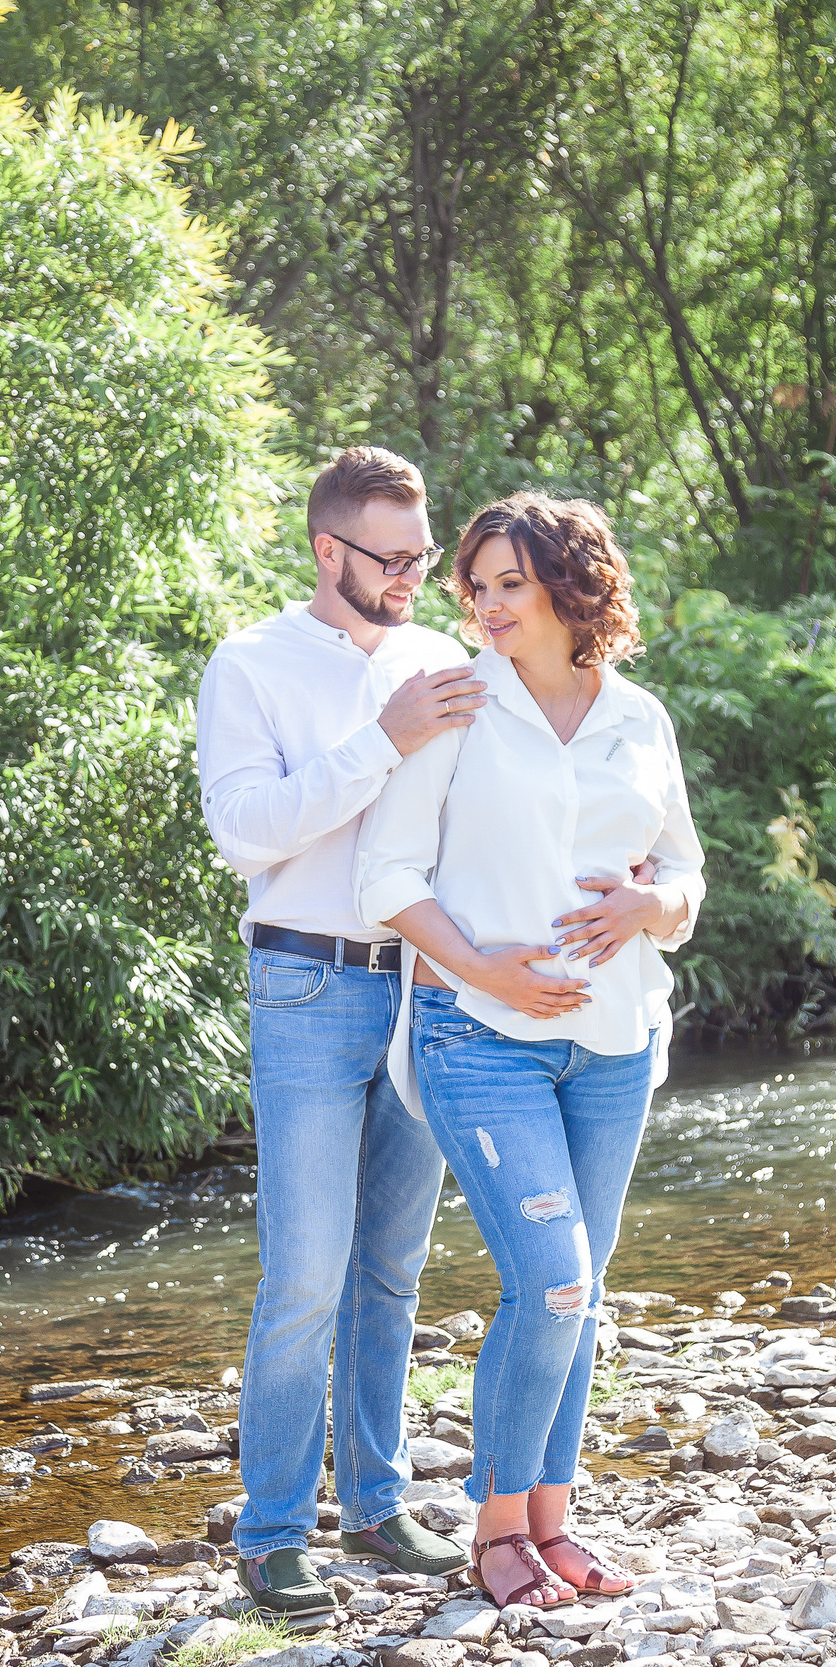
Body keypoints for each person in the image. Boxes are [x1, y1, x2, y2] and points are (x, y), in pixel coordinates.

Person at [352, 492, 706, 1609]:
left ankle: (552, 1524)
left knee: (582, 1294)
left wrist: (647, 908)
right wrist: (486, 969)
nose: (489, 605)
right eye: (478, 585)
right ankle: (496, 1532)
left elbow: (686, 880)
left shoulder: (638, 716)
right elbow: (387, 879)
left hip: (615, 1040)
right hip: (478, 1037)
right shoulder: (456, 708)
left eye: (512, 582)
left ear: (568, 585)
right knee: (550, 1284)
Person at [194, 447, 486, 1613]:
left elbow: (475, 817)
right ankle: (270, 1532)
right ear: (329, 550)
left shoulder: (439, 658)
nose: (417, 575)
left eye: (425, 553)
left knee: (391, 1269)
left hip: (425, 987)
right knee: (305, 1271)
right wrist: (387, 736)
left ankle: (372, 1508)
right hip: (306, 986)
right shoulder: (251, 662)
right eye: (395, 556)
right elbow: (245, 833)